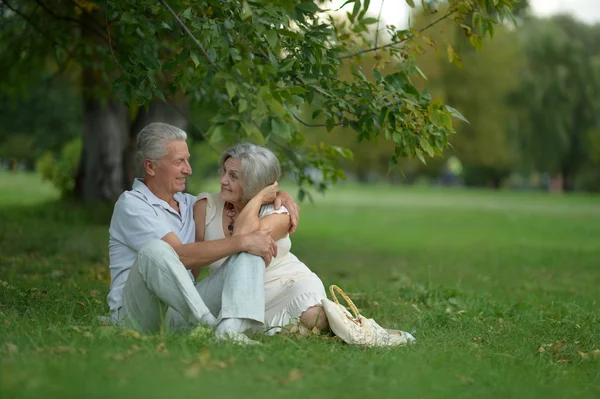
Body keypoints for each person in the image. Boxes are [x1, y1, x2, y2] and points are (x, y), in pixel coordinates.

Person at [107, 123, 300, 344]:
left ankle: (228, 330)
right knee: (157, 250)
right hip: (138, 314)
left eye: (187, 160)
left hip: (181, 310)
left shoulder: (190, 204)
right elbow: (180, 255)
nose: (188, 169)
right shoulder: (132, 205)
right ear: (150, 167)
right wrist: (243, 241)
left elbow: (240, 197)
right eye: (179, 162)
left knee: (253, 246)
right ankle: (208, 325)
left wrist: (279, 194)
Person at [194, 143, 329, 335]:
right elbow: (195, 262)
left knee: (315, 317)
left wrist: (257, 199)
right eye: (223, 172)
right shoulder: (206, 206)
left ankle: (293, 328)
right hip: (234, 293)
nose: (223, 180)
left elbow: (244, 237)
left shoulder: (279, 211)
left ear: (254, 183)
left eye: (233, 176)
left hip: (285, 285)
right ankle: (286, 330)